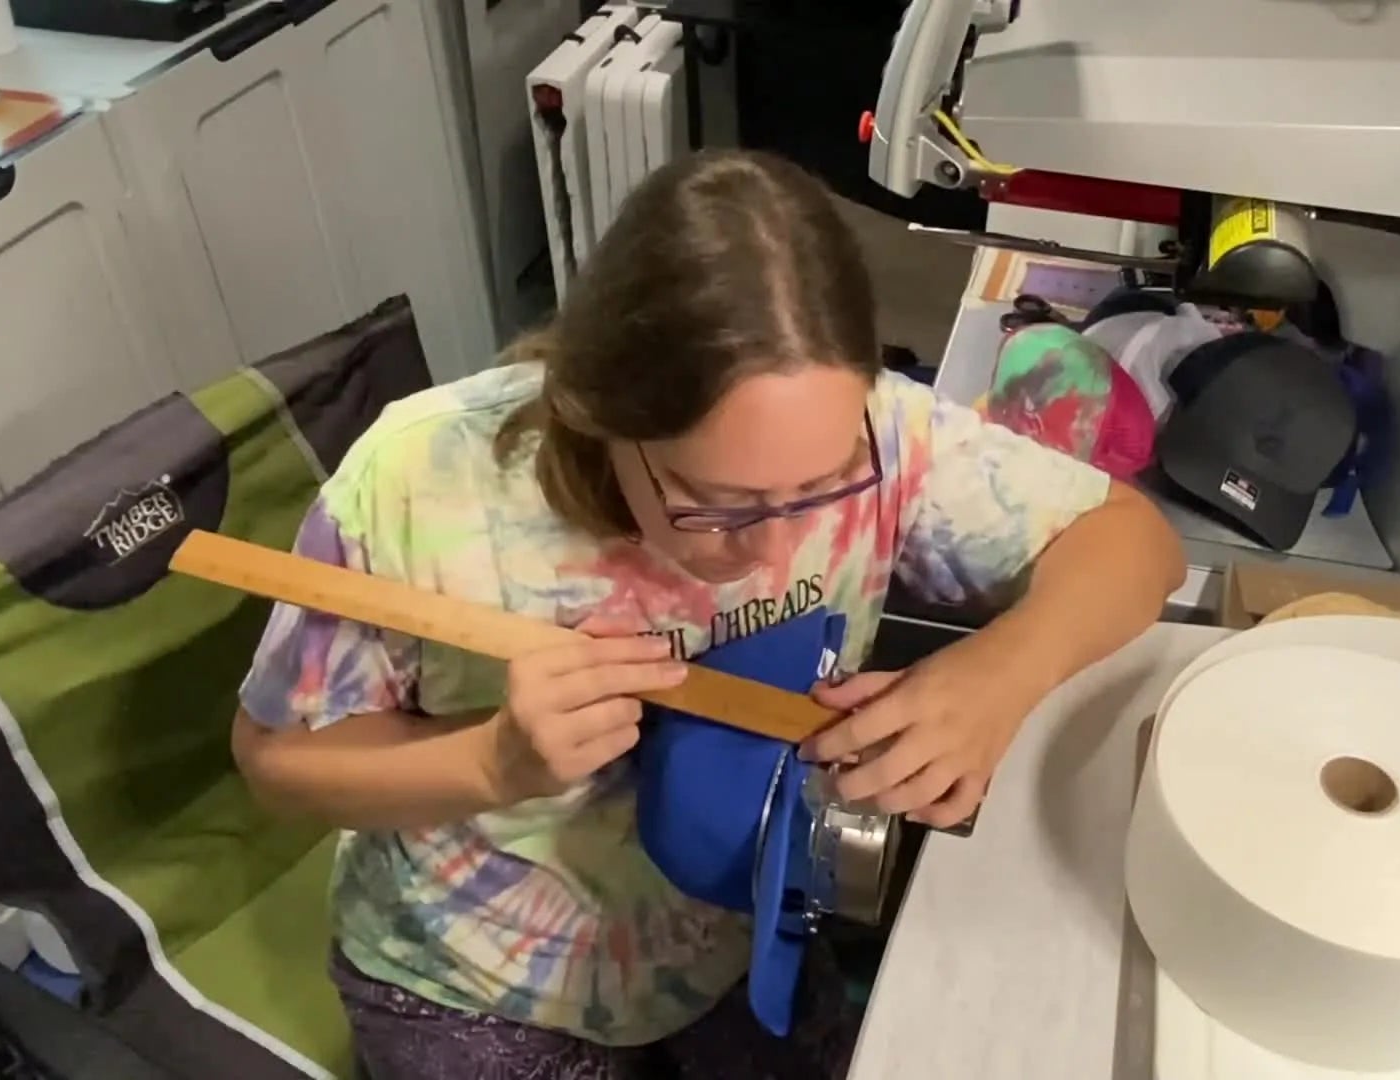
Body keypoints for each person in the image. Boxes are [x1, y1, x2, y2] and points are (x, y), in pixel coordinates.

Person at [232, 149, 1184, 1079]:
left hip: (742, 931)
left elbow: (1136, 545)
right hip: (474, 976)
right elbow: (276, 760)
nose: (770, 552)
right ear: (595, 410)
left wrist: (997, 675)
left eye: (819, 488)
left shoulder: (887, 435)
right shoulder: (417, 482)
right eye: (715, 502)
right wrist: (494, 761)